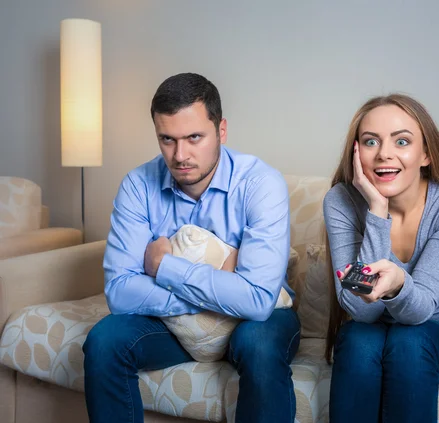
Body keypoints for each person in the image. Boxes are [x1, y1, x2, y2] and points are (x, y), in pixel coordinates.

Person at [83, 73, 300, 423]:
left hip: (257, 322)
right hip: (173, 326)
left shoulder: (261, 184)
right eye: (167, 139)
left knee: (259, 346)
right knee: (104, 341)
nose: (180, 155)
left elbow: (258, 300)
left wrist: (166, 269)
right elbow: (120, 292)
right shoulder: (138, 185)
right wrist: (222, 288)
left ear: (222, 130)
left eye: (194, 137)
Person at [323, 94, 439, 422]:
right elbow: (360, 310)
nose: (384, 153)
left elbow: (420, 309)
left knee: (408, 340)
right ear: (357, 152)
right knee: (357, 339)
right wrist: (377, 210)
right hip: (374, 333)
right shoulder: (341, 200)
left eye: (402, 141)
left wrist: (398, 283)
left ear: (426, 153)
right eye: (371, 141)